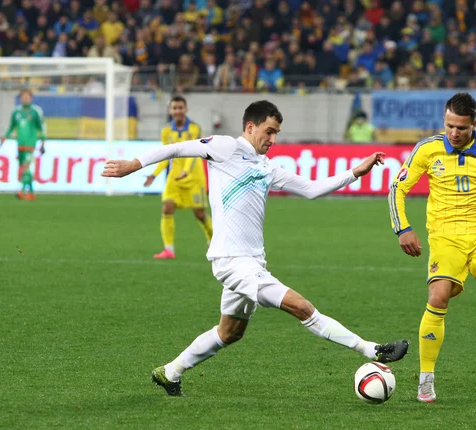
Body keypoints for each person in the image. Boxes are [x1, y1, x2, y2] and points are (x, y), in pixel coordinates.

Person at [102, 100, 410, 396]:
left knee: (230, 333)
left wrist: (356, 171)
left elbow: (312, 189)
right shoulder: (226, 147)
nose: (273, 139)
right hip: (232, 263)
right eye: (269, 131)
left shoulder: (265, 167)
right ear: (251, 126)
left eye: (276, 133)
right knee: (302, 307)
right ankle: (373, 349)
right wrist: (134, 164)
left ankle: (169, 372)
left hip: (252, 263)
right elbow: (178, 147)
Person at [389, 93, 476, 403]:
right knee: (438, 296)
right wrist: (402, 228)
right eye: (449, 126)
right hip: (446, 236)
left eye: (461, 127)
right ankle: (426, 377)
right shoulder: (428, 149)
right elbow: (398, 187)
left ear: (474, 124)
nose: (454, 133)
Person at [144, 95, 212, 259]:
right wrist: (154, 174)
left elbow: (194, 152)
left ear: (186, 109)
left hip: (194, 177)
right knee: (167, 207)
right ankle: (168, 249)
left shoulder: (194, 128)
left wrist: (187, 171)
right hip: (174, 177)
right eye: (174, 108)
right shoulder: (166, 131)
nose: (178, 111)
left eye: (180, 107)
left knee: (200, 214)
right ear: (170, 110)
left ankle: (214, 241)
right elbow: (164, 155)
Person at [0, 89, 46, 200]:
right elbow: (11, 127)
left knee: (26, 166)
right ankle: (32, 192)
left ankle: (23, 191)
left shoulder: (35, 111)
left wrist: (43, 141)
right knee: (24, 168)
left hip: (30, 144)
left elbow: (42, 127)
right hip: (20, 144)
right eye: (23, 96)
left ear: (31, 98)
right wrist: (4, 138)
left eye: (27, 96)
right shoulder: (16, 112)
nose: (24, 98)